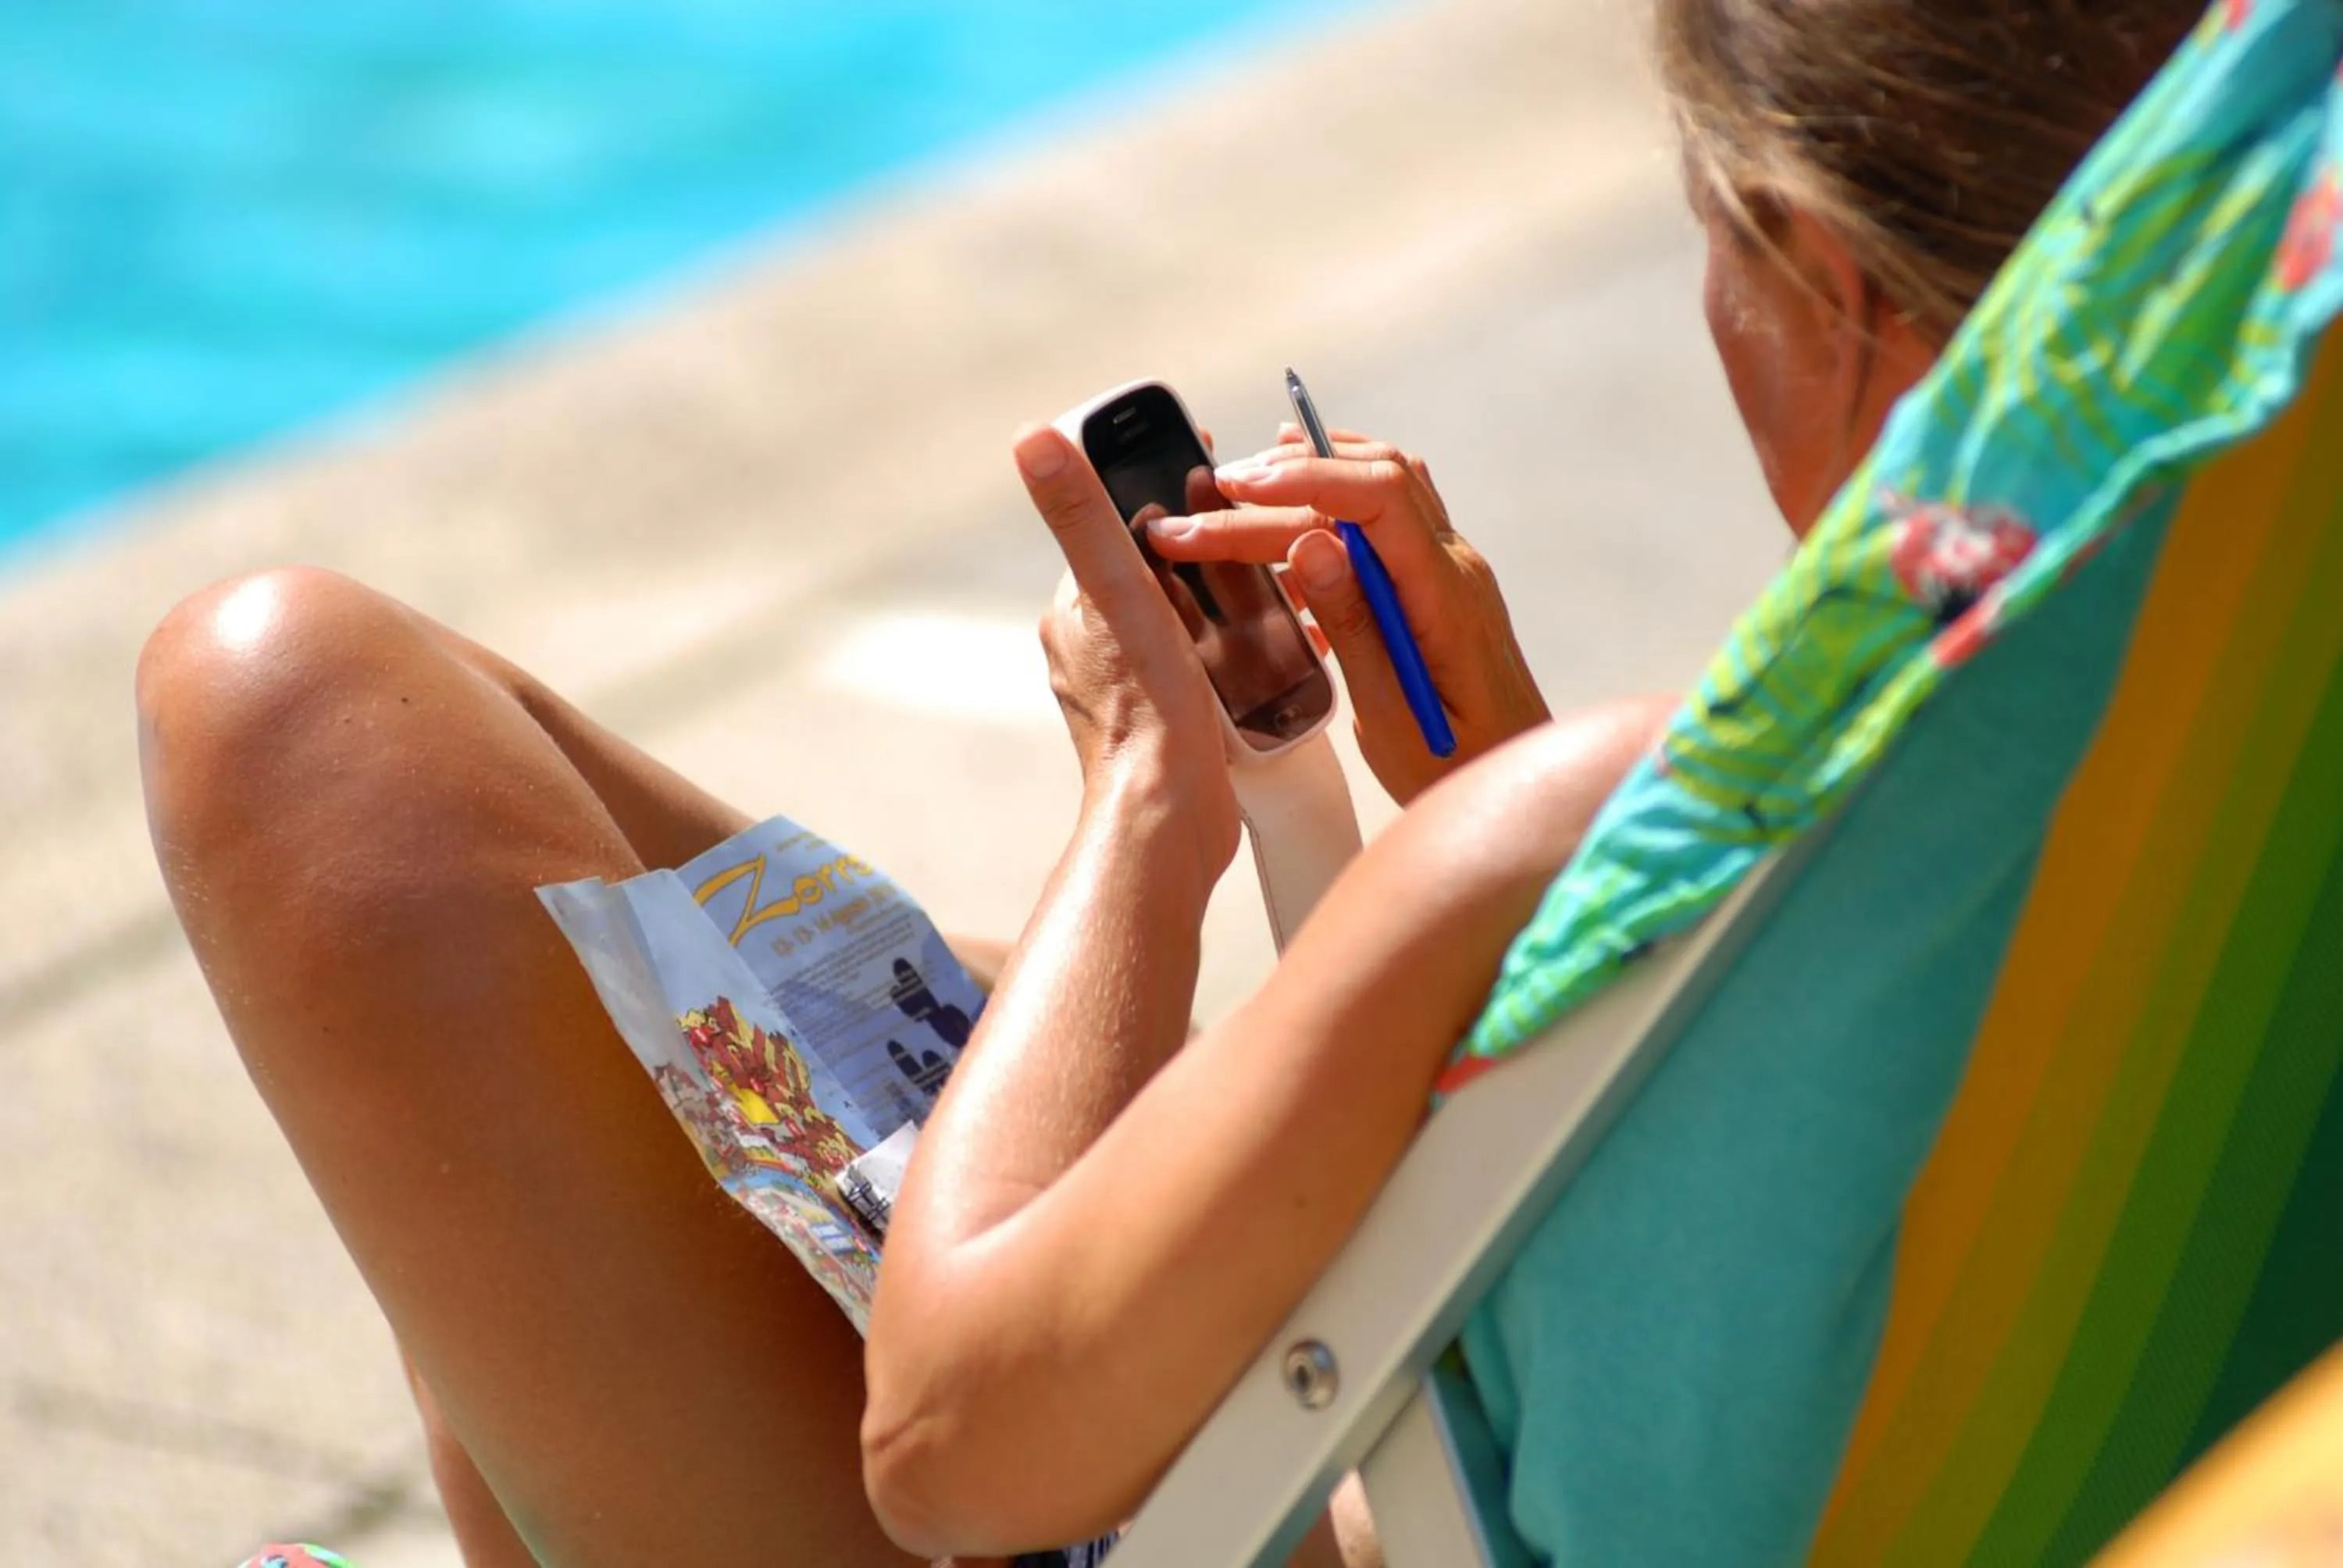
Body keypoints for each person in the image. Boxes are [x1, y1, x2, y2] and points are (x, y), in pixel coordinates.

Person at [150, 2, 2210, 1563]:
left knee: (291, 722)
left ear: (1825, 277)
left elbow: (954, 1452)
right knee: (614, 1033)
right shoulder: (2193, 742)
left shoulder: (1596, 820)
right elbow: (1774, 1166)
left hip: (1326, 1496)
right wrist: (1461, 775)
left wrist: (1150, 802)